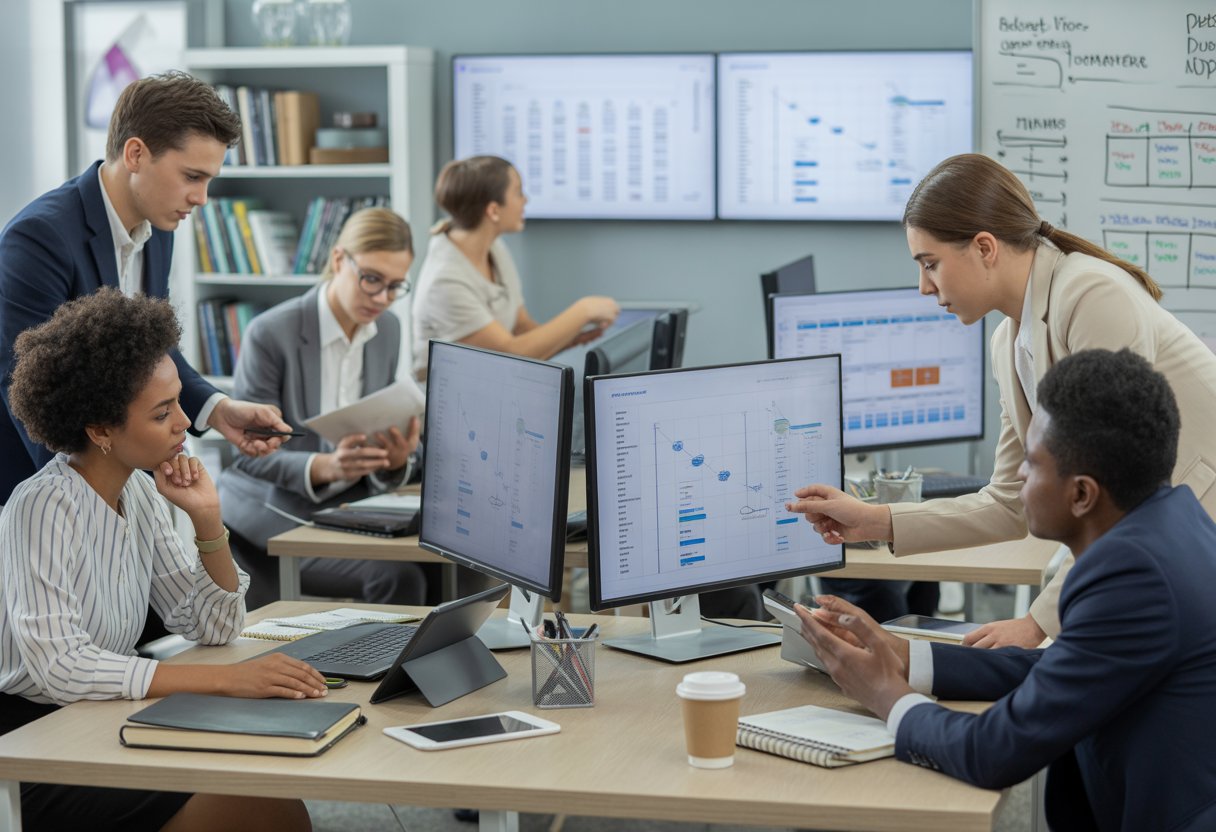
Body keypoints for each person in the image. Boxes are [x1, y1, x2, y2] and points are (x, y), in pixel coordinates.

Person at [789, 153, 1216, 648]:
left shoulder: (1092, 295)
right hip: (1152, 547)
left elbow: (1120, 497)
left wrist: (1037, 625)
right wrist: (873, 519)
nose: (924, 286)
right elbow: (1008, 503)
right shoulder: (1007, 344)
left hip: (1190, 538)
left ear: (985, 247)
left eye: (930, 264)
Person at [792, 349, 1216, 831]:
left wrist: (886, 694)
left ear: (1081, 494)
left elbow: (994, 751)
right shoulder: (1171, 523)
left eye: (1033, 464)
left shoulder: (1134, 575)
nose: (1018, 476)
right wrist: (906, 656)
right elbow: (1064, 669)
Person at [0, 289, 324, 831]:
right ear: (100, 431)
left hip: (104, 715)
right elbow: (61, 667)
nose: (184, 423)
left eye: (178, 401)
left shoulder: (141, 493)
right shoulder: (42, 505)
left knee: (272, 792)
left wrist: (206, 519)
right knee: (261, 809)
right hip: (31, 742)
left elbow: (211, 626)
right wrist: (222, 682)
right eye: (162, 412)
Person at [0, 71, 294, 505]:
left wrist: (217, 409)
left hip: (116, 476)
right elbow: (23, 389)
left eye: (209, 180)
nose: (202, 198)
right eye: (192, 176)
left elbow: (153, 351)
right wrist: (88, 502)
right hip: (37, 488)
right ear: (135, 153)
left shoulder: (159, 225)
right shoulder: (39, 237)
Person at [219, 208, 427, 609]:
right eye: (371, 279)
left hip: (347, 503)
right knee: (396, 576)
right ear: (338, 260)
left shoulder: (388, 331)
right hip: (271, 503)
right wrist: (323, 467)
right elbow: (248, 455)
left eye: (395, 286)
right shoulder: (271, 333)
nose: (382, 298)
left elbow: (380, 432)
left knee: (447, 563)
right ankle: (382, 670)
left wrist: (394, 460)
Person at [410, 155, 620, 379]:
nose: (525, 201)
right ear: (493, 210)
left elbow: (521, 326)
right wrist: (583, 311)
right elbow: (508, 356)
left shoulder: (495, 248)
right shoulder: (445, 281)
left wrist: (569, 337)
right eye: (518, 192)